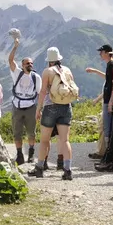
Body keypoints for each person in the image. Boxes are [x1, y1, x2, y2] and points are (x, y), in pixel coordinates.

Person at [29, 47, 75, 180]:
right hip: (66, 107)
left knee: (44, 140)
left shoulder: (47, 72)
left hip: (50, 107)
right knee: (65, 140)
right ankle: (67, 170)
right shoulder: (67, 70)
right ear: (59, 58)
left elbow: (43, 91)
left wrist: (38, 109)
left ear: (49, 60)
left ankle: (39, 168)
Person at [7, 36, 42, 164]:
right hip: (17, 106)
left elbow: (40, 93)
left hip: (31, 107)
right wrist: (15, 47)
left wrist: (39, 109)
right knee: (17, 133)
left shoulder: (36, 77)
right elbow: (10, 60)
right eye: (27, 63)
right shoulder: (17, 73)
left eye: (31, 63)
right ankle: (20, 154)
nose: (30, 65)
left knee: (31, 133)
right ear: (22, 65)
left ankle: (31, 154)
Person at [84, 44, 113, 161]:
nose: (100, 54)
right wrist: (94, 71)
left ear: (108, 53)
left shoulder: (111, 65)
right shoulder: (111, 65)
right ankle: (105, 153)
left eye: (101, 52)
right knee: (106, 127)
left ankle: (108, 155)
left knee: (107, 127)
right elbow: (108, 79)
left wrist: (111, 102)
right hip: (108, 100)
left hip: (109, 101)